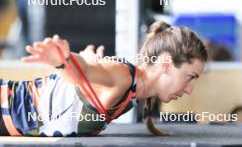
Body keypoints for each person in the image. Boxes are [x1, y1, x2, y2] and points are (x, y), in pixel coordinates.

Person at [0, 21, 208, 136]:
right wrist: (63, 61)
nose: (189, 89)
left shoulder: (131, 89)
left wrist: (86, 59)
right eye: (190, 77)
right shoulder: (123, 76)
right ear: (165, 63)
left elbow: (91, 70)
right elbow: (83, 71)